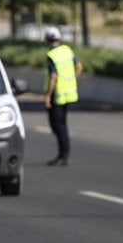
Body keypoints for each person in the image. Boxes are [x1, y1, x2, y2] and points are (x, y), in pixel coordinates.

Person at [43, 27, 82, 166]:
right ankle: (63, 154)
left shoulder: (52, 55)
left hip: (57, 94)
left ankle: (63, 154)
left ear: (47, 40)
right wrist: (71, 80)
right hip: (68, 93)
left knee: (58, 126)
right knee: (63, 124)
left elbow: (53, 77)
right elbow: (79, 66)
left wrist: (48, 96)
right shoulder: (66, 50)